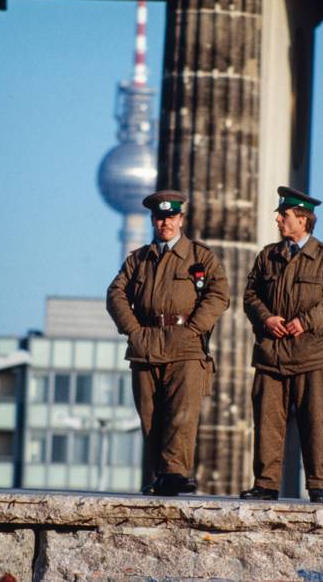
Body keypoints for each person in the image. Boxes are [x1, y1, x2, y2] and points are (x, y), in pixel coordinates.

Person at [107, 189, 230, 496]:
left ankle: (174, 473)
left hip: (185, 343)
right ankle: (158, 476)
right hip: (146, 341)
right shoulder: (139, 259)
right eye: (160, 218)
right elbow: (115, 294)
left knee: (181, 413)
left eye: (171, 217)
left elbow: (219, 294)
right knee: (150, 416)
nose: (166, 223)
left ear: (181, 219)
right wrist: (133, 330)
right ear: (153, 220)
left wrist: (194, 329)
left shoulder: (200, 257)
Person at [239, 186, 323, 503]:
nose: (278, 219)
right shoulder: (268, 256)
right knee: (267, 422)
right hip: (271, 355)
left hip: (312, 355)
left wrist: (306, 320)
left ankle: (316, 485)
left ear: (302, 219)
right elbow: (250, 296)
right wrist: (266, 318)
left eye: (284, 215)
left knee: (315, 421)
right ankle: (266, 484)